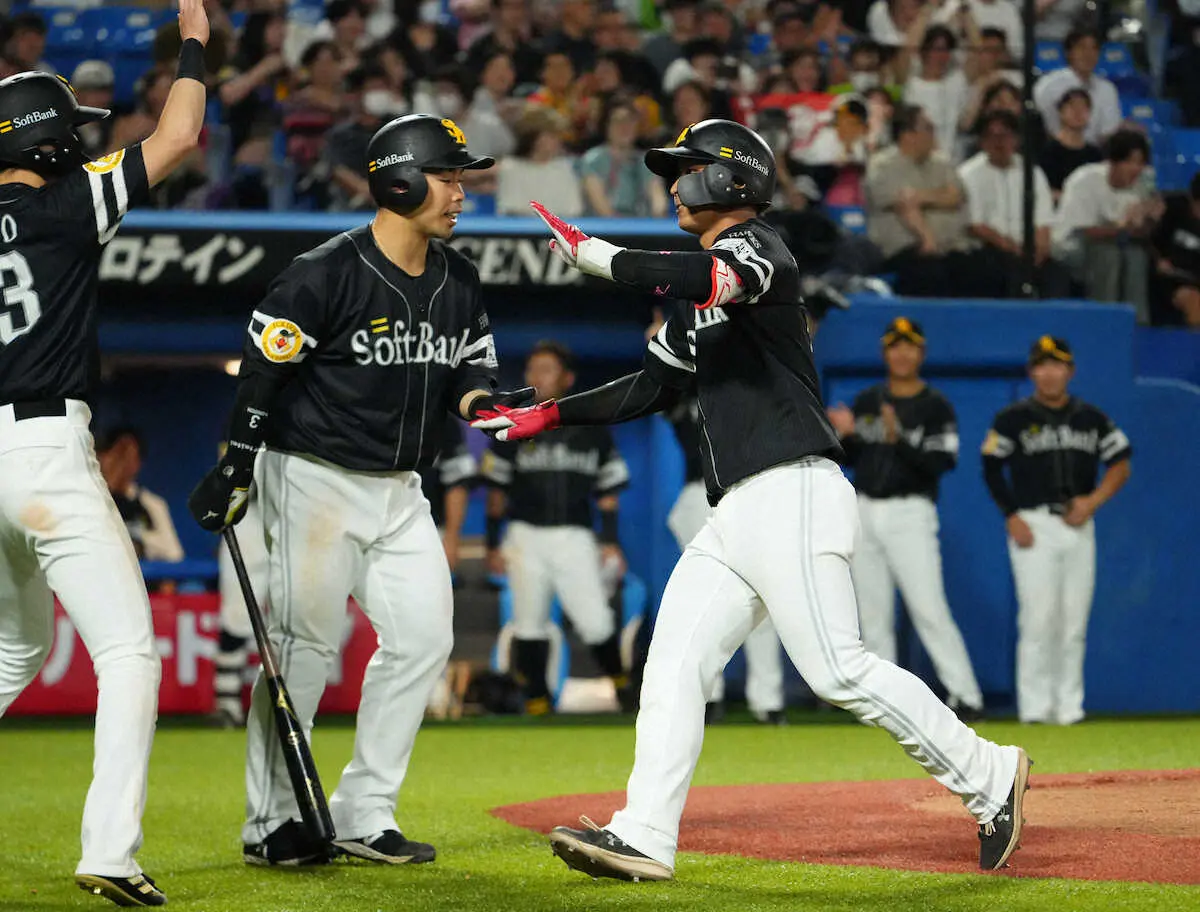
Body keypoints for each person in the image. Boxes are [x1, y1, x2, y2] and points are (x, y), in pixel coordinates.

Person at [472, 118, 1030, 881]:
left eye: (688, 167)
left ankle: (989, 771)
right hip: (737, 508)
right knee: (672, 664)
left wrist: (600, 257)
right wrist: (552, 413)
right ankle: (644, 834)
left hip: (792, 485)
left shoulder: (758, 246)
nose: (674, 182)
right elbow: (653, 384)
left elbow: (710, 280)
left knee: (836, 669)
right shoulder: (697, 284)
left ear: (732, 178)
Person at [187, 114, 532, 867]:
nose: (460, 192)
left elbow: (469, 369)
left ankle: (361, 810)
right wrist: (236, 463)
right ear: (399, 179)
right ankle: (271, 823)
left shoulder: (459, 278)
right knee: (304, 650)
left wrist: (484, 406)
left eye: (461, 177)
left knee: (423, 640)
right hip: (313, 478)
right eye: (448, 176)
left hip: (401, 490)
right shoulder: (323, 272)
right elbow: (263, 370)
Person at [0, 2, 210, 906]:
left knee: (17, 648)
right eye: (73, 134)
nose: (84, 144)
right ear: (48, 144)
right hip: (45, 449)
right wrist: (194, 36)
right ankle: (110, 853)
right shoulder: (58, 208)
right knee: (128, 652)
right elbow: (184, 130)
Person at [827, 317, 984, 721]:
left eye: (909, 345)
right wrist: (842, 437)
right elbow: (851, 461)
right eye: (895, 345)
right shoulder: (866, 401)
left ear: (921, 353)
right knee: (873, 613)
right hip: (864, 509)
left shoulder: (935, 406)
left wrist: (902, 438)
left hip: (910, 511)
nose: (901, 352)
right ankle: (885, 705)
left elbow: (941, 462)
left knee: (928, 607)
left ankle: (966, 695)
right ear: (885, 353)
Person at [982, 336, 1131, 725]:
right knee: (1037, 618)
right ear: (1032, 372)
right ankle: (1034, 709)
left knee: (1073, 621)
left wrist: (1093, 501)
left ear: (1070, 371)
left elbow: (1121, 460)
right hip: (1034, 523)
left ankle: (1069, 709)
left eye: (1057, 365)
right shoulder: (1011, 419)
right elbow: (991, 467)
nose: (1049, 373)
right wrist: (1012, 515)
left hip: (1078, 524)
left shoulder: (1091, 418)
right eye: (1042, 365)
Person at [482, 341, 632, 714]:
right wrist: (491, 544)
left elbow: (608, 492)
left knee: (595, 621)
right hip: (524, 533)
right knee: (528, 621)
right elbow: (496, 492)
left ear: (567, 378)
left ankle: (623, 684)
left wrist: (611, 541)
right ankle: (536, 700)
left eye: (547, 369)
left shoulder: (591, 425)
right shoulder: (512, 423)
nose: (538, 376)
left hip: (574, 534)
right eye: (533, 368)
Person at [864, 104, 980, 297]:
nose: (933, 135)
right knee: (930, 274)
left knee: (983, 268)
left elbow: (955, 196)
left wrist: (919, 196)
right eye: (928, 128)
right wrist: (929, 239)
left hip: (950, 249)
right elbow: (905, 206)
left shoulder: (940, 163)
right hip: (905, 251)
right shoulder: (883, 165)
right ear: (907, 134)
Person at [958, 110, 1070, 298]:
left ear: (1016, 140)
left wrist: (1039, 248)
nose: (999, 142)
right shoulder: (969, 174)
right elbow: (974, 225)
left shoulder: (1032, 172)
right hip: (990, 247)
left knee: (1057, 275)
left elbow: (1043, 220)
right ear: (982, 141)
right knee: (1008, 271)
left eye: (1005, 135)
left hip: (1029, 247)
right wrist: (1012, 248)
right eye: (992, 136)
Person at [1053, 128, 1161, 323]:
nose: (1135, 169)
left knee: (1137, 257)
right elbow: (1085, 230)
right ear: (1113, 161)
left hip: (1117, 243)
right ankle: (1104, 321)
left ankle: (1138, 323)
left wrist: (1150, 219)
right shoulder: (1085, 180)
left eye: (1140, 163)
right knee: (1108, 255)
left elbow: (1139, 234)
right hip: (1072, 246)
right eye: (1129, 161)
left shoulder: (1141, 187)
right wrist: (1123, 230)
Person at [96, 427, 185, 563]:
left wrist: (139, 539)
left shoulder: (152, 504)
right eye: (118, 455)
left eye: (130, 456)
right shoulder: (90, 501)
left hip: (145, 579)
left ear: (138, 463)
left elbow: (174, 554)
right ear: (101, 457)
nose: (123, 463)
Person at [1033, 29, 1122, 146]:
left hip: (1095, 155)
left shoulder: (1108, 89)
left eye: (1094, 48)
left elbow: (1109, 132)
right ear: (1068, 53)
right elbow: (1044, 127)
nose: (1088, 54)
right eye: (1081, 48)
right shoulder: (1048, 85)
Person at [1152, 170, 1200, 327]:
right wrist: (1159, 260)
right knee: (1194, 300)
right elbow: (1152, 242)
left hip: (1195, 280)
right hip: (1170, 282)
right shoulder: (1173, 208)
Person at [1038, 87, 1102, 202]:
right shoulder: (1047, 152)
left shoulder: (1096, 154)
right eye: (1073, 106)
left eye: (1084, 108)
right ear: (1061, 112)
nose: (1078, 112)